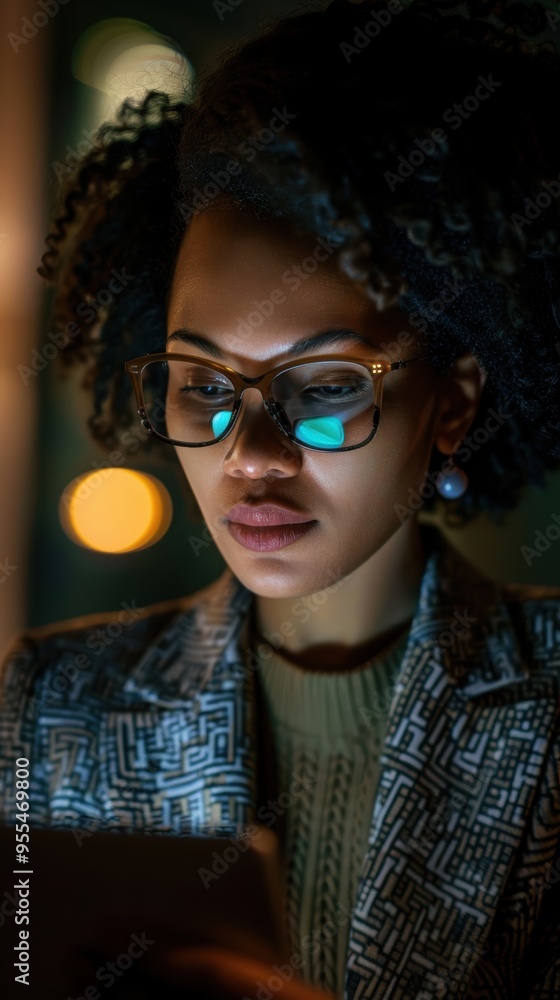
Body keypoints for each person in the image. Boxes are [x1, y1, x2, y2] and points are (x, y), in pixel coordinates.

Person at [1, 0, 560, 996]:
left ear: (450, 402)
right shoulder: (55, 704)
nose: (248, 455)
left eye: (326, 387)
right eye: (203, 384)